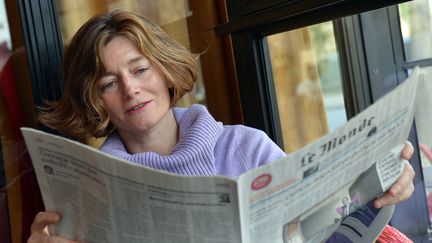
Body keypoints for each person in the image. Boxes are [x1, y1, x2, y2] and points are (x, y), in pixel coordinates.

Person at [27, 10, 415, 243]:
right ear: (95, 100)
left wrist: (388, 178)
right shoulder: (89, 189)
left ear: (164, 71)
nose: (131, 89)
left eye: (140, 69)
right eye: (109, 83)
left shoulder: (246, 146)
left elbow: (320, 217)